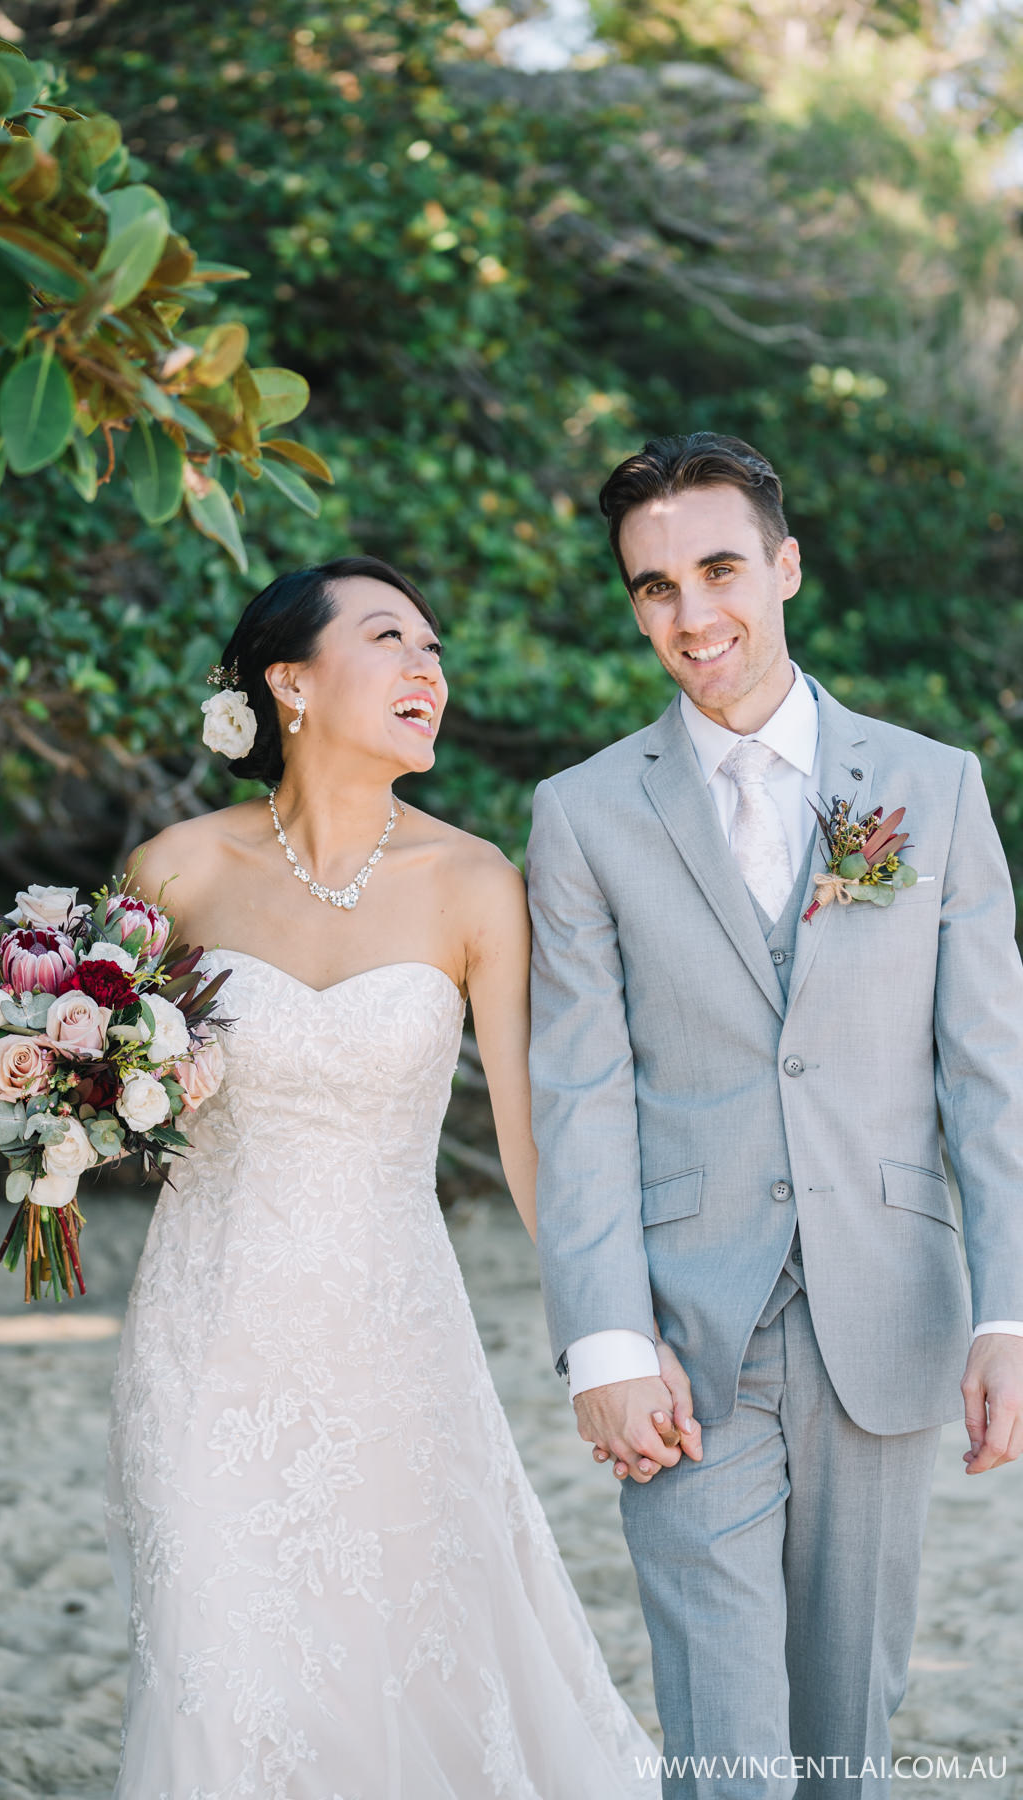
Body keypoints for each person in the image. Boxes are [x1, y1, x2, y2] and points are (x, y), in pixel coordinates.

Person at [105, 555, 659, 1798]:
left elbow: (532, 1147)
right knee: (214, 1652)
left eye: (435, 648)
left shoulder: (474, 884)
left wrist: (610, 1340)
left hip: (396, 1341)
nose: (430, 670)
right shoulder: (172, 873)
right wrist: (42, 1120)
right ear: (290, 682)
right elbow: (101, 1086)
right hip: (206, 1336)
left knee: (411, 1660)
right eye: (392, 640)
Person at [526, 433, 1023, 1800]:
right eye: (654, 588)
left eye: (721, 569)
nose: (693, 617)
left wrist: (1007, 1315)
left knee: (842, 1730)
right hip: (687, 1333)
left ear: (787, 567)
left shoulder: (935, 787)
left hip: (890, 1305)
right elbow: (581, 1094)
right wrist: (605, 1341)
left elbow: (992, 1073)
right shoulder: (581, 817)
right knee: (728, 1743)